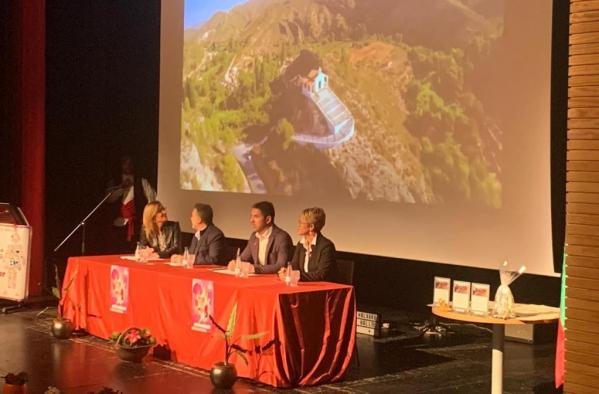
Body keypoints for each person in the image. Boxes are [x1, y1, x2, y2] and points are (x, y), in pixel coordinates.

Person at [228, 201, 292, 274]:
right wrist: (236, 263)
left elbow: (281, 266)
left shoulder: (282, 238)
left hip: (274, 281)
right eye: (251, 216)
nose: (251, 220)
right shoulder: (254, 236)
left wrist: (254, 268)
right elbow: (243, 259)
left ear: (268, 219)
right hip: (258, 279)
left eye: (256, 216)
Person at [107, 155, 156, 245]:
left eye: (130, 164)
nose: (128, 166)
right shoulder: (115, 181)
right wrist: (122, 187)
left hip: (136, 223)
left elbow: (152, 198)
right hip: (118, 223)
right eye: (125, 164)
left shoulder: (141, 181)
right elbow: (109, 199)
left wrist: (147, 216)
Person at [283, 207, 336, 282]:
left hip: (322, 288)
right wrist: (287, 272)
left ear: (311, 227)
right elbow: (294, 266)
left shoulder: (326, 246)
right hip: (304, 286)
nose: (298, 225)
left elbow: (321, 274)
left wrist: (296, 275)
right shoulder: (301, 244)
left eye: (301, 223)